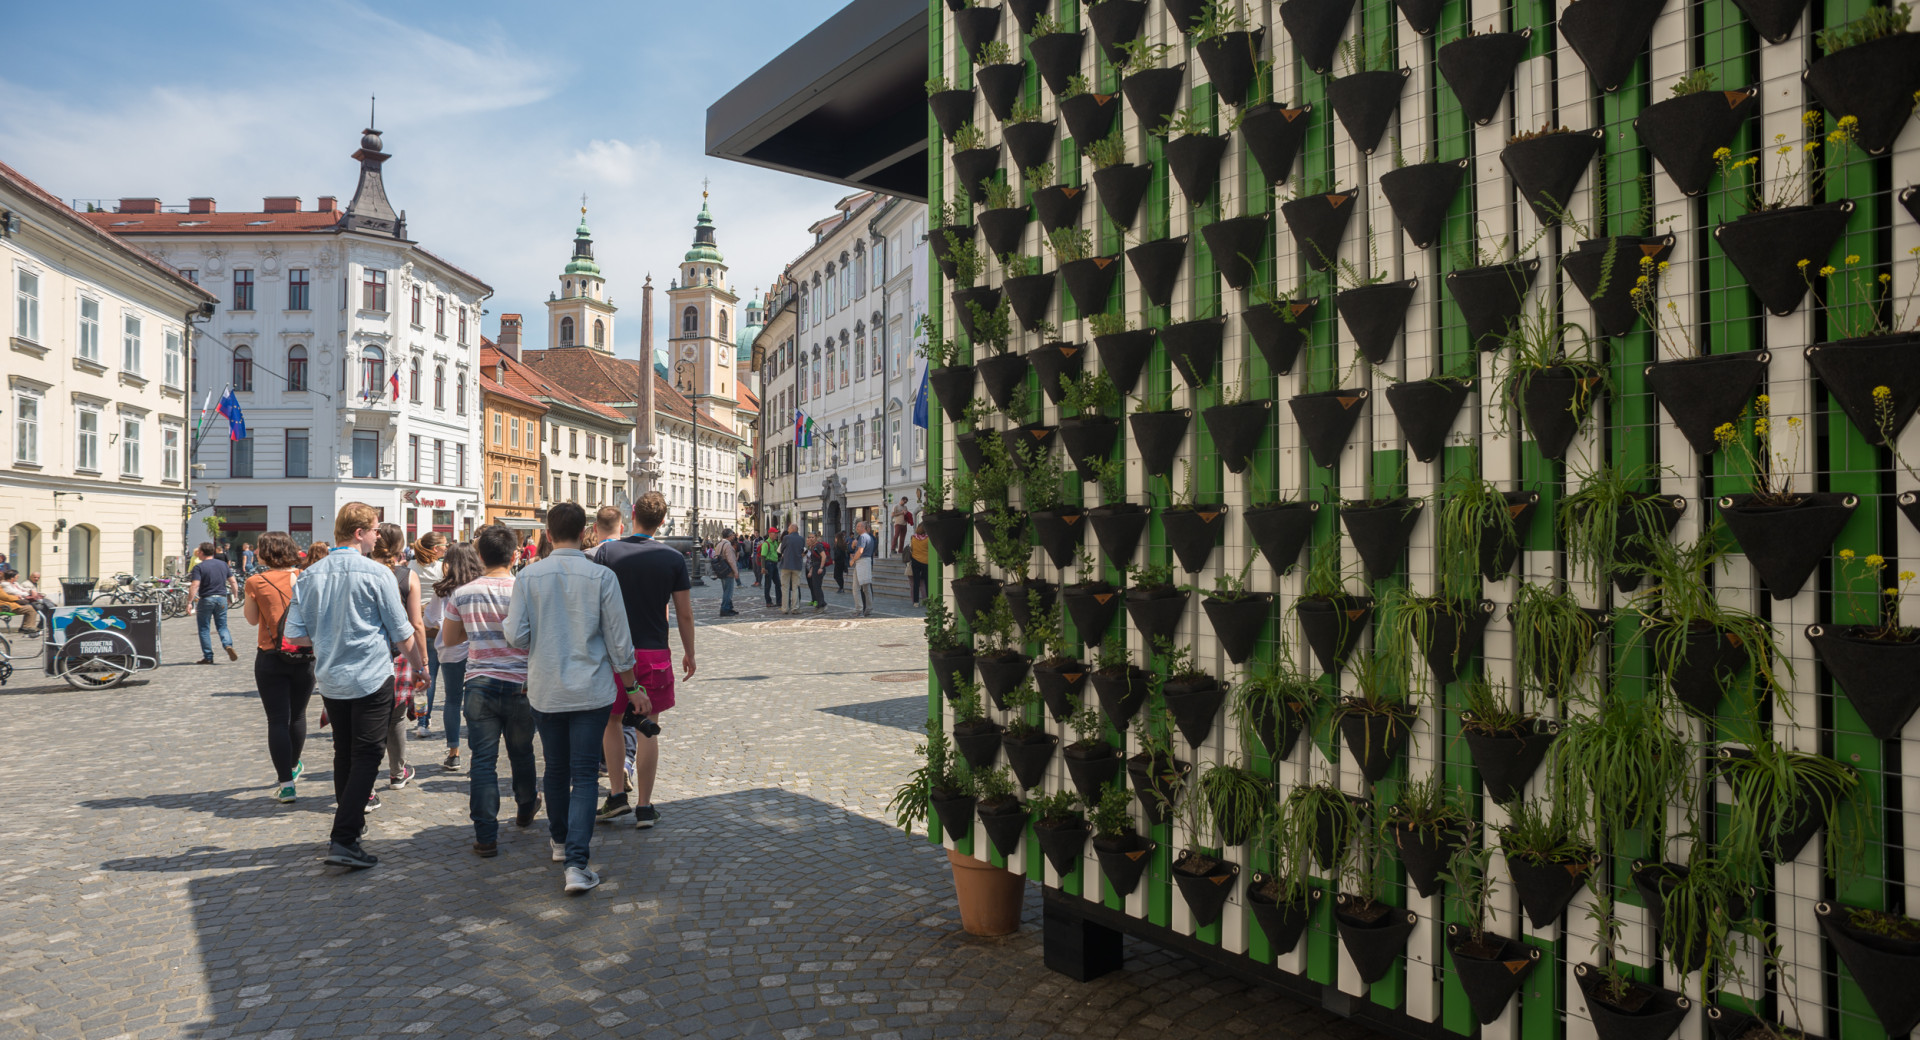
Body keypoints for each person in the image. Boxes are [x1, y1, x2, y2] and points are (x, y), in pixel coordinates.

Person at [505, 503, 641, 894]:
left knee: (556, 769)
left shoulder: (528, 576)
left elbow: (515, 636)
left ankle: (561, 843)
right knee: (583, 775)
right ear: (586, 533)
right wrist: (632, 687)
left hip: (547, 689)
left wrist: (543, 639)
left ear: (547, 534)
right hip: (591, 688)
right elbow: (619, 640)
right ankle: (578, 865)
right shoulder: (601, 576)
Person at [285, 502, 424, 870]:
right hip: (370, 675)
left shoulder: (309, 575)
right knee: (366, 755)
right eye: (375, 529)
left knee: (344, 753)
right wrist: (420, 668)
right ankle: (344, 836)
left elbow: (295, 636)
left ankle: (352, 828)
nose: (379, 535)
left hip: (331, 677)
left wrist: (329, 639)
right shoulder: (377, 574)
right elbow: (401, 632)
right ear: (359, 532)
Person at [595, 491, 694, 832]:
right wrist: (690, 653)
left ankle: (617, 794)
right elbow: (684, 614)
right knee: (649, 727)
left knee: (612, 721)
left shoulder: (608, 551)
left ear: (632, 513)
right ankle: (645, 808)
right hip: (654, 652)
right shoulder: (672, 558)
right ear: (663, 521)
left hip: (614, 652)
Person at [440, 526, 538, 857]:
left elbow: (451, 640)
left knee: (483, 760)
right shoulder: (525, 590)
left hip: (480, 682)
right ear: (515, 556)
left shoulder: (464, 593)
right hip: (521, 684)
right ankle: (526, 808)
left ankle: (486, 835)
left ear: (480, 556)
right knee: (522, 752)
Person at [242, 532, 313, 803]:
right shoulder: (306, 577)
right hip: (305, 655)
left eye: (260, 548)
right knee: (298, 716)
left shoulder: (255, 581)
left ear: (267, 552)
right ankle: (294, 766)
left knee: (277, 720)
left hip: (270, 656)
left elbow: (250, 619)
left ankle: (286, 785)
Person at [371, 524, 426, 793]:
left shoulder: (364, 570)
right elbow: (415, 624)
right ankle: (397, 772)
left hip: (369, 653)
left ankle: (366, 781)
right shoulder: (407, 576)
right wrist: (422, 661)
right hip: (400, 653)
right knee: (396, 717)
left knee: (366, 719)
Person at [432, 543, 481, 773]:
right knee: (474, 702)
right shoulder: (479, 586)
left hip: (450, 650)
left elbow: (431, 618)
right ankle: (477, 752)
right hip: (475, 648)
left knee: (452, 700)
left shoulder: (443, 589)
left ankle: (454, 753)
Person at [408, 533, 446, 740]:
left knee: (422, 677)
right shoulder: (442, 569)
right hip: (435, 624)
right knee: (435, 678)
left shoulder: (409, 566)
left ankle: (422, 721)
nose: (446, 548)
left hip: (415, 625)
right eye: (444, 546)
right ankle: (426, 719)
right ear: (435, 549)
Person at [187, 542, 239, 664]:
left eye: (199, 551)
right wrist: (234, 595)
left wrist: (189, 601)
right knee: (222, 626)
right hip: (221, 598)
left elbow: (195, 585)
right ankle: (227, 645)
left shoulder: (199, 567)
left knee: (204, 628)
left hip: (206, 599)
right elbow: (233, 582)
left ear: (201, 553)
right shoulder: (223, 565)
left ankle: (208, 656)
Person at [0, 569, 44, 635]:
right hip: (6, 606)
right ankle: (27, 627)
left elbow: (19, 591)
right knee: (30, 608)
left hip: (10, 604)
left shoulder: (6, 585)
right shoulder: (3, 585)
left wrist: (30, 592)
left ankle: (27, 627)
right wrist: (17, 597)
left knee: (31, 607)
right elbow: (5, 597)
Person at [777, 522, 806, 614]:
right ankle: (795, 608)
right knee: (795, 587)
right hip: (797, 565)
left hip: (786, 565)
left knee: (785, 587)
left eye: (789, 528)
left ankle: (785, 608)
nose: (788, 530)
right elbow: (802, 550)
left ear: (792, 529)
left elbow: (781, 550)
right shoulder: (801, 539)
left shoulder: (786, 538)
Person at [851, 520, 877, 617]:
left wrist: (853, 560)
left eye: (858, 526)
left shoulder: (862, 537)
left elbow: (860, 550)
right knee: (866, 587)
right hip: (867, 561)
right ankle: (869, 608)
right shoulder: (870, 537)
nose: (857, 528)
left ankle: (859, 609)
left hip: (861, 562)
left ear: (863, 528)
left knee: (856, 588)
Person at [714, 528, 739, 617]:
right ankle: (725, 609)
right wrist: (736, 572)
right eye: (732, 534)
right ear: (728, 536)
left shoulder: (719, 544)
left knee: (726, 590)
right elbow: (731, 560)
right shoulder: (728, 545)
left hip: (721, 571)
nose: (733, 536)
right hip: (728, 571)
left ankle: (729, 607)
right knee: (728, 591)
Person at [805, 533, 829, 612]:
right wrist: (811, 571)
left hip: (819, 567)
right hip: (815, 567)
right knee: (815, 586)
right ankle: (820, 604)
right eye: (809, 537)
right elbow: (812, 561)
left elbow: (824, 556)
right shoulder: (812, 547)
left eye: (813, 537)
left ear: (816, 538)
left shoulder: (818, 546)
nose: (811, 538)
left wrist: (821, 567)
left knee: (817, 587)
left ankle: (822, 604)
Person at [909, 522, 930, 606]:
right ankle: (928, 601)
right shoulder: (928, 539)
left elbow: (912, 549)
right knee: (927, 582)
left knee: (916, 583)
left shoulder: (913, 538)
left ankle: (916, 602)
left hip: (915, 561)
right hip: (926, 561)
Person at [761, 527, 782, 609]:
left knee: (778, 583)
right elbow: (763, 556)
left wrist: (779, 558)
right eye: (775, 533)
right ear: (770, 534)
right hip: (768, 564)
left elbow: (777, 552)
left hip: (774, 564)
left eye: (777, 533)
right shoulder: (766, 544)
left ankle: (779, 601)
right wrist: (763, 568)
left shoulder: (775, 543)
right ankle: (768, 602)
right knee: (768, 584)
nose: (776, 535)